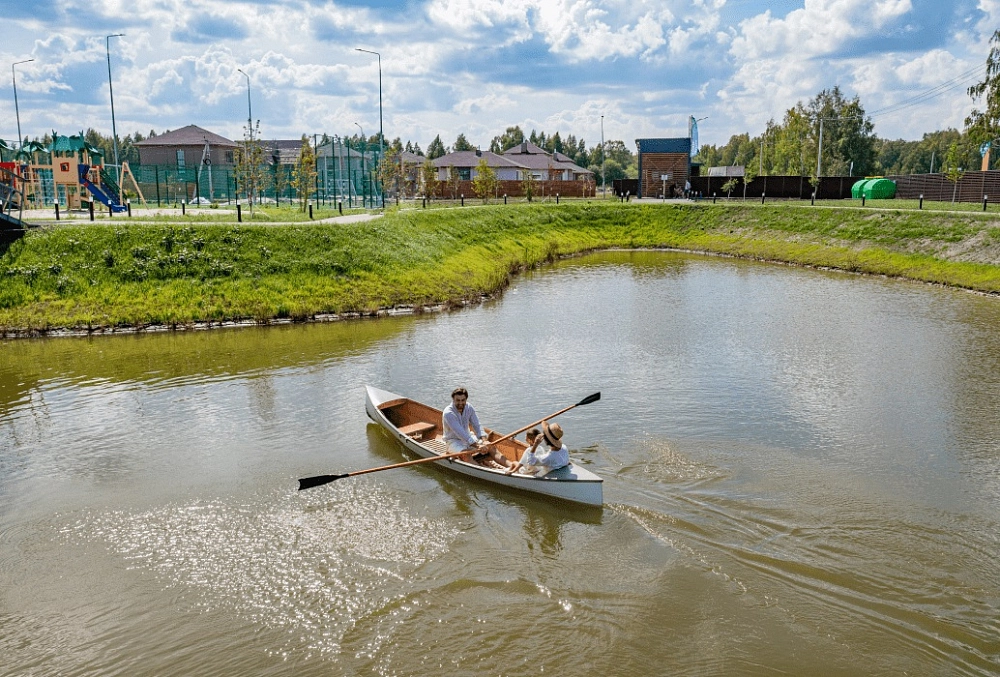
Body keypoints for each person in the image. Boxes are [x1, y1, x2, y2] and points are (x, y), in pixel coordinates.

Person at [442, 387, 511, 468]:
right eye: (457, 400)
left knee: (490, 447)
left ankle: (511, 466)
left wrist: (484, 441)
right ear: (453, 399)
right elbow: (460, 433)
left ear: (466, 400)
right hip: (453, 441)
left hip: (469, 437)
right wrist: (478, 446)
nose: (460, 403)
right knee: (465, 455)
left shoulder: (469, 407)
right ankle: (486, 472)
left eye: (463, 400)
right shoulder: (448, 413)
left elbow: (477, 425)